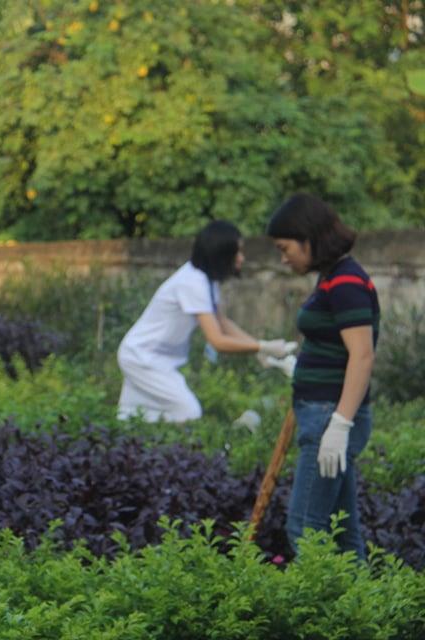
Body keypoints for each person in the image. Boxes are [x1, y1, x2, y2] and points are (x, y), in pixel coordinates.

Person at [267, 194, 378, 560]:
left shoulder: (346, 282)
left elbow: (362, 355)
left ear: (309, 238)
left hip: (330, 416)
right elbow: (333, 346)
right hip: (321, 412)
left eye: (285, 248)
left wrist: (340, 424)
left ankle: (318, 598)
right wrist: (296, 366)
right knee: (343, 533)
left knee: (305, 527)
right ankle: (364, 597)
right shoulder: (332, 279)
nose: (284, 259)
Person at [117, 220, 296, 423]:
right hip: (142, 357)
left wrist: (258, 349)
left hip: (152, 357)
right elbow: (217, 340)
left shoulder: (205, 281)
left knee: (131, 417)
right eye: (237, 252)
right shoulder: (193, 283)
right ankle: (226, 435)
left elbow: (222, 322)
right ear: (221, 254)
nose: (242, 258)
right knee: (188, 413)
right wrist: (261, 346)